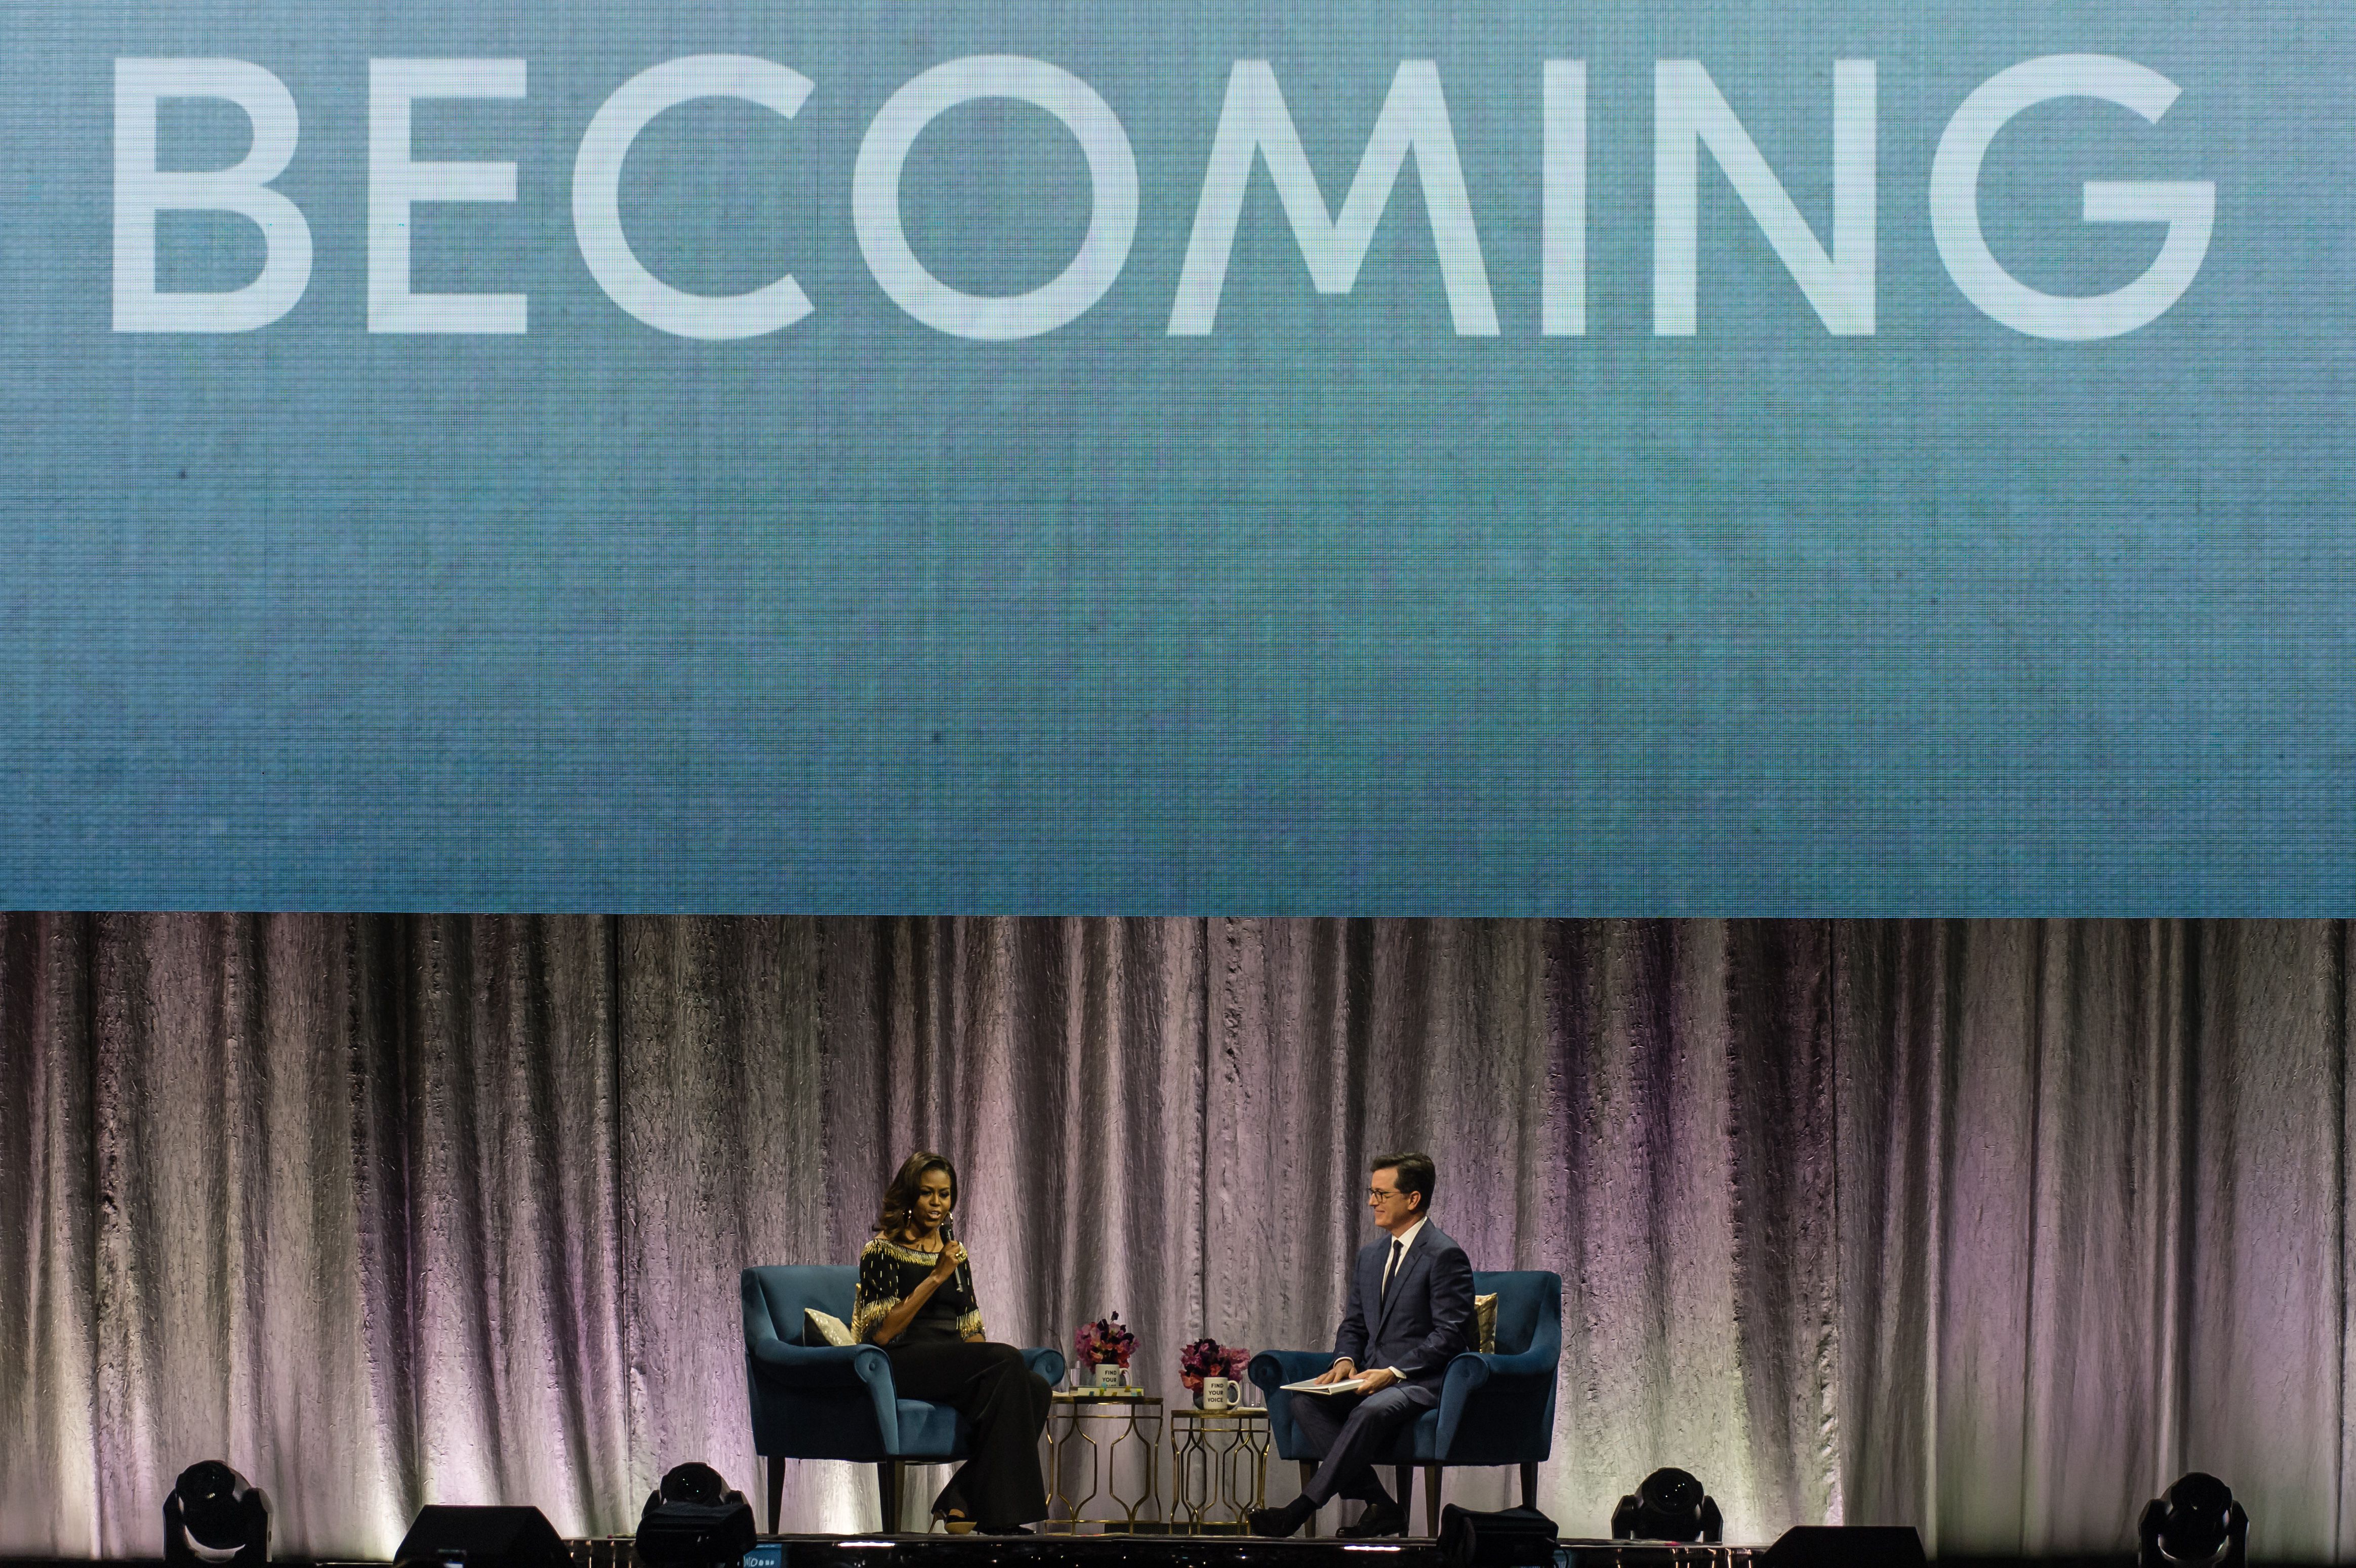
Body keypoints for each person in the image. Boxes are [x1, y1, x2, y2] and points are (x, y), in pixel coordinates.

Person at [1250, 1151, 1473, 1539]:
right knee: (1304, 1402)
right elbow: (1354, 1323)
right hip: (1370, 1376)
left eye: (1381, 1194)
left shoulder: (1444, 1255)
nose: (1372, 1202)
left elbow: (1450, 1335)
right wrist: (1345, 1361)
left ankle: (1300, 1509)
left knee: (1370, 1410)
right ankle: (1382, 1505)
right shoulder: (1371, 1256)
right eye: (1372, 1193)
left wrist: (1394, 1372)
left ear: (1413, 1199)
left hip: (1421, 1381)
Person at [854, 1150, 1053, 1533]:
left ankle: (960, 1497)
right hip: (903, 1360)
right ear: (910, 1196)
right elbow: (881, 1332)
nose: (936, 1204)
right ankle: (998, 1519)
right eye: (927, 1193)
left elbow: (970, 1325)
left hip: (951, 1361)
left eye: (944, 1195)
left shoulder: (954, 1253)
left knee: (1034, 1387)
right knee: (1007, 1360)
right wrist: (936, 1276)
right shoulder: (881, 1250)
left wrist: (987, 1365)